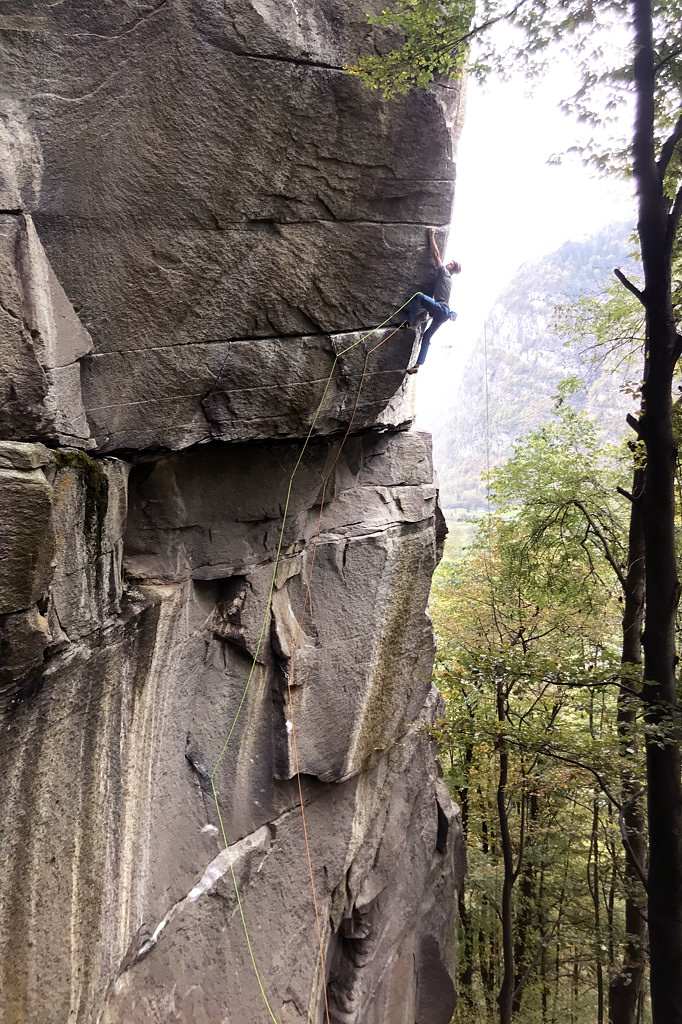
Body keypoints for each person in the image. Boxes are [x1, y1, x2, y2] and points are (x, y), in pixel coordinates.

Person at [402, 228, 461, 373]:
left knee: (419, 296)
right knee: (427, 336)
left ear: (451, 269)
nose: (448, 264)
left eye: (450, 264)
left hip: (441, 309)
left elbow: (435, 255)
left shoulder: (444, 273)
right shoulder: (449, 280)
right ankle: (418, 365)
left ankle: (409, 322)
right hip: (444, 314)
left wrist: (431, 235)